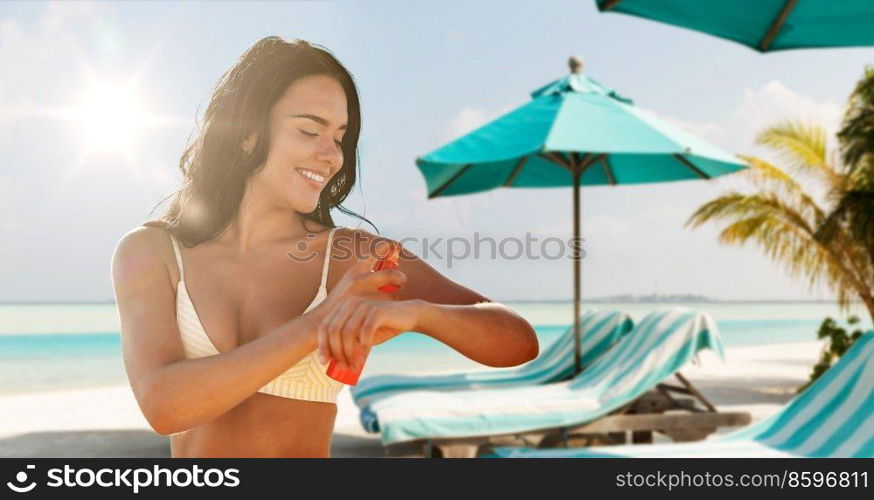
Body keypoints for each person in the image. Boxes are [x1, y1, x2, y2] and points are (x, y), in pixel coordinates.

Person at [110, 36, 539, 458]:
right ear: (246, 134)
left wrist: (418, 315)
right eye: (309, 130)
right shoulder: (152, 254)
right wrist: (318, 323)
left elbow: (518, 341)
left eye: (339, 137)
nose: (331, 155)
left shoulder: (352, 258)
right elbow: (164, 407)